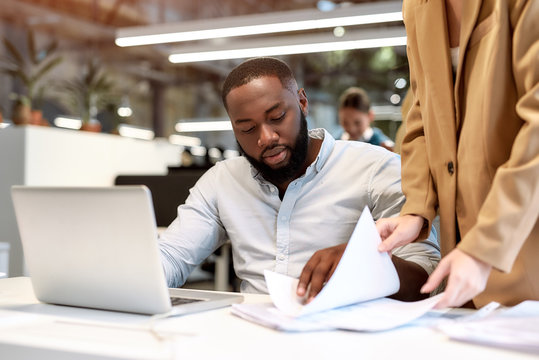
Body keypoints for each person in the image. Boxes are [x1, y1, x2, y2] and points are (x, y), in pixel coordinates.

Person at [159, 57, 440, 301]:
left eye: (278, 117)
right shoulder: (222, 181)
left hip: (347, 338)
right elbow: (171, 256)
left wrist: (367, 260)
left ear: (302, 102)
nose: (266, 138)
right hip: (252, 336)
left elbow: (425, 280)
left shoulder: (375, 168)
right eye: (247, 128)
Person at [377, 0, 539, 309]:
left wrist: (486, 246)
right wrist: (416, 207)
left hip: (522, 246)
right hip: (463, 265)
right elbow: (422, 113)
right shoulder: (416, 7)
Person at [337, 87, 395, 152]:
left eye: (357, 123)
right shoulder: (336, 143)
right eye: (345, 123)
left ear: (370, 116)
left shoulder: (383, 146)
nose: (351, 129)